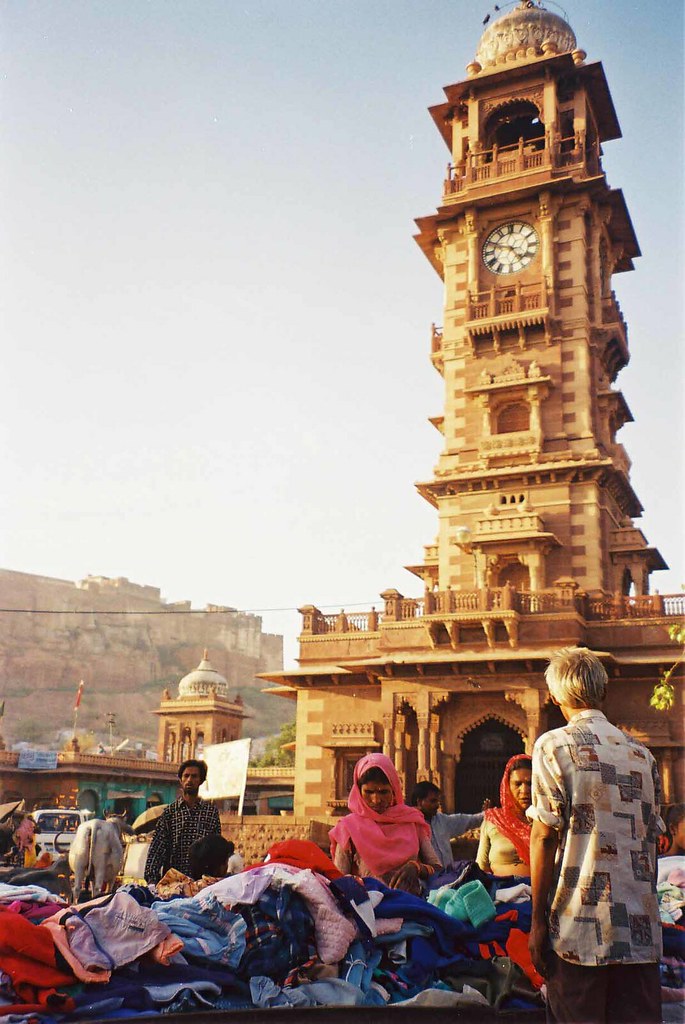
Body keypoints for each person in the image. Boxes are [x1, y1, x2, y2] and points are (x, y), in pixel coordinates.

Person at [528, 647, 663, 1024]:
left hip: (580, 929)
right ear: (602, 692)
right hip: (639, 934)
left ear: (555, 697)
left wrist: (538, 924)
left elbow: (543, 838)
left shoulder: (554, 746)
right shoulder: (641, 755)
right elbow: (652, 842)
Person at [328, 752, 441, 894]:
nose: (376, 800)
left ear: (394, 790)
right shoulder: (348, 828)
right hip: (368, 910)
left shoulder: (412, 821)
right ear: (358, 791)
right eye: (369, 792)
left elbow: (438, 869)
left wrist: (416, 868)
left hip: (410, 908)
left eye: (383, 792)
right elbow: (340, 881)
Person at [144, 759, 221, 883]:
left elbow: (217, 850)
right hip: (174, 881)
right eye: (186, 776)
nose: (189, 780)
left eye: (194, 776)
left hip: (202, 882)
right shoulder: (170, 812)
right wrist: (152, 880)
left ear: (201, 781)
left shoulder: (210, 813)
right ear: (180, 780)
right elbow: (157, 849)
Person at [410, 780, 486, 870]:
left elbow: (468, 820)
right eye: (433, 801)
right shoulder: (409, 825)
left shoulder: (442, 820)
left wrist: (488, 814)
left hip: (447, 878)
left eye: (438, 801)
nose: (437, 805)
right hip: (424, 881)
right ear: (419, 802)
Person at [476, 754, 532, 876]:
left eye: (530, 784)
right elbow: (481, 867)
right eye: (518, 784)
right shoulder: (493, 820)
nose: (525, 790)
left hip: (540, 893)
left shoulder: (546, 821)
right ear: (507, 786)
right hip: (501, 891)